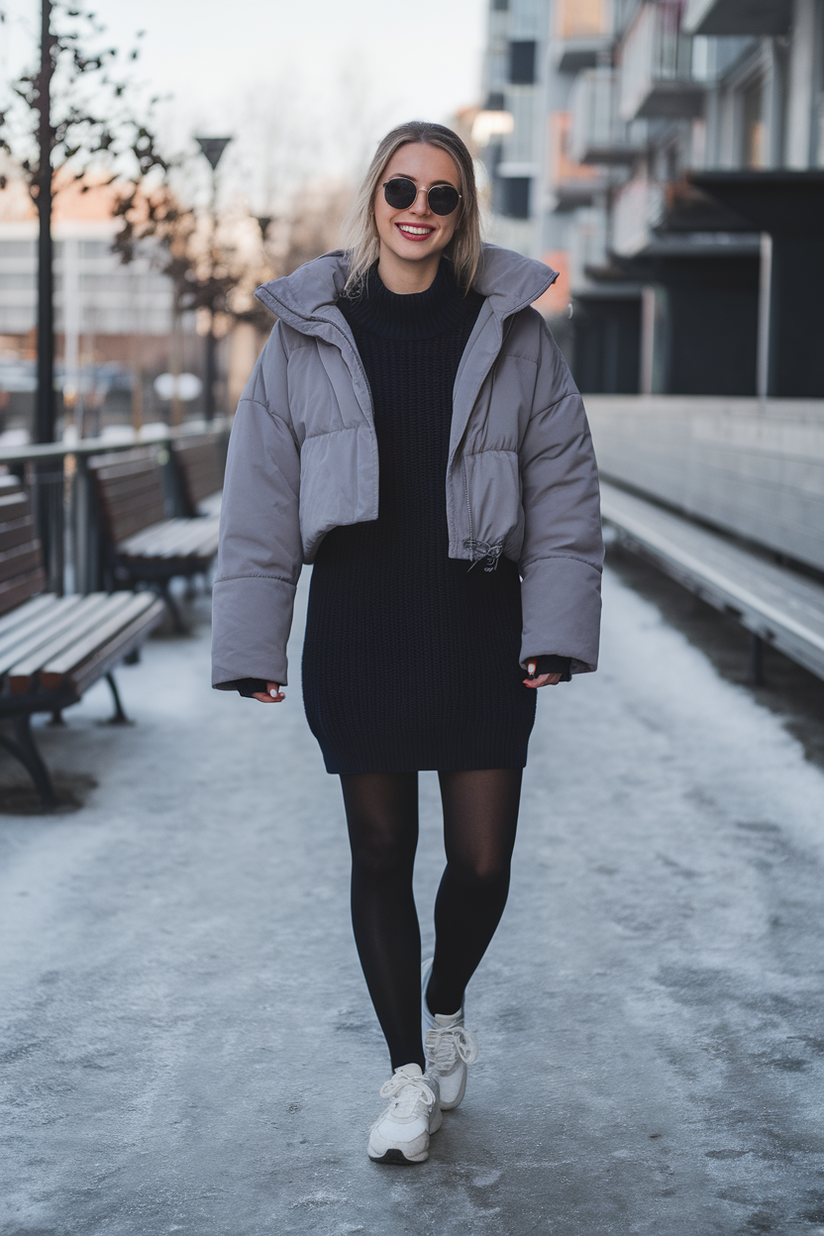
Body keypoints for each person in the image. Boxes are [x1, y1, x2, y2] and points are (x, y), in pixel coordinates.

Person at [211, 120, 603, 1165]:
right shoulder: (308, 328)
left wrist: (554, 629)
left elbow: (563, 490)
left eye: (441, 194)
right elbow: (260, 496)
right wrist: (253, 643)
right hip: (359, 619)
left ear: (462, 210)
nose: (418, 210)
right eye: (400, 189)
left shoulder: (513, 330)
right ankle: (402, 1077)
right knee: (379, 850)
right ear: (373, 198)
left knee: (479, 863)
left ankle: (444, 1002)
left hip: (476, 620)